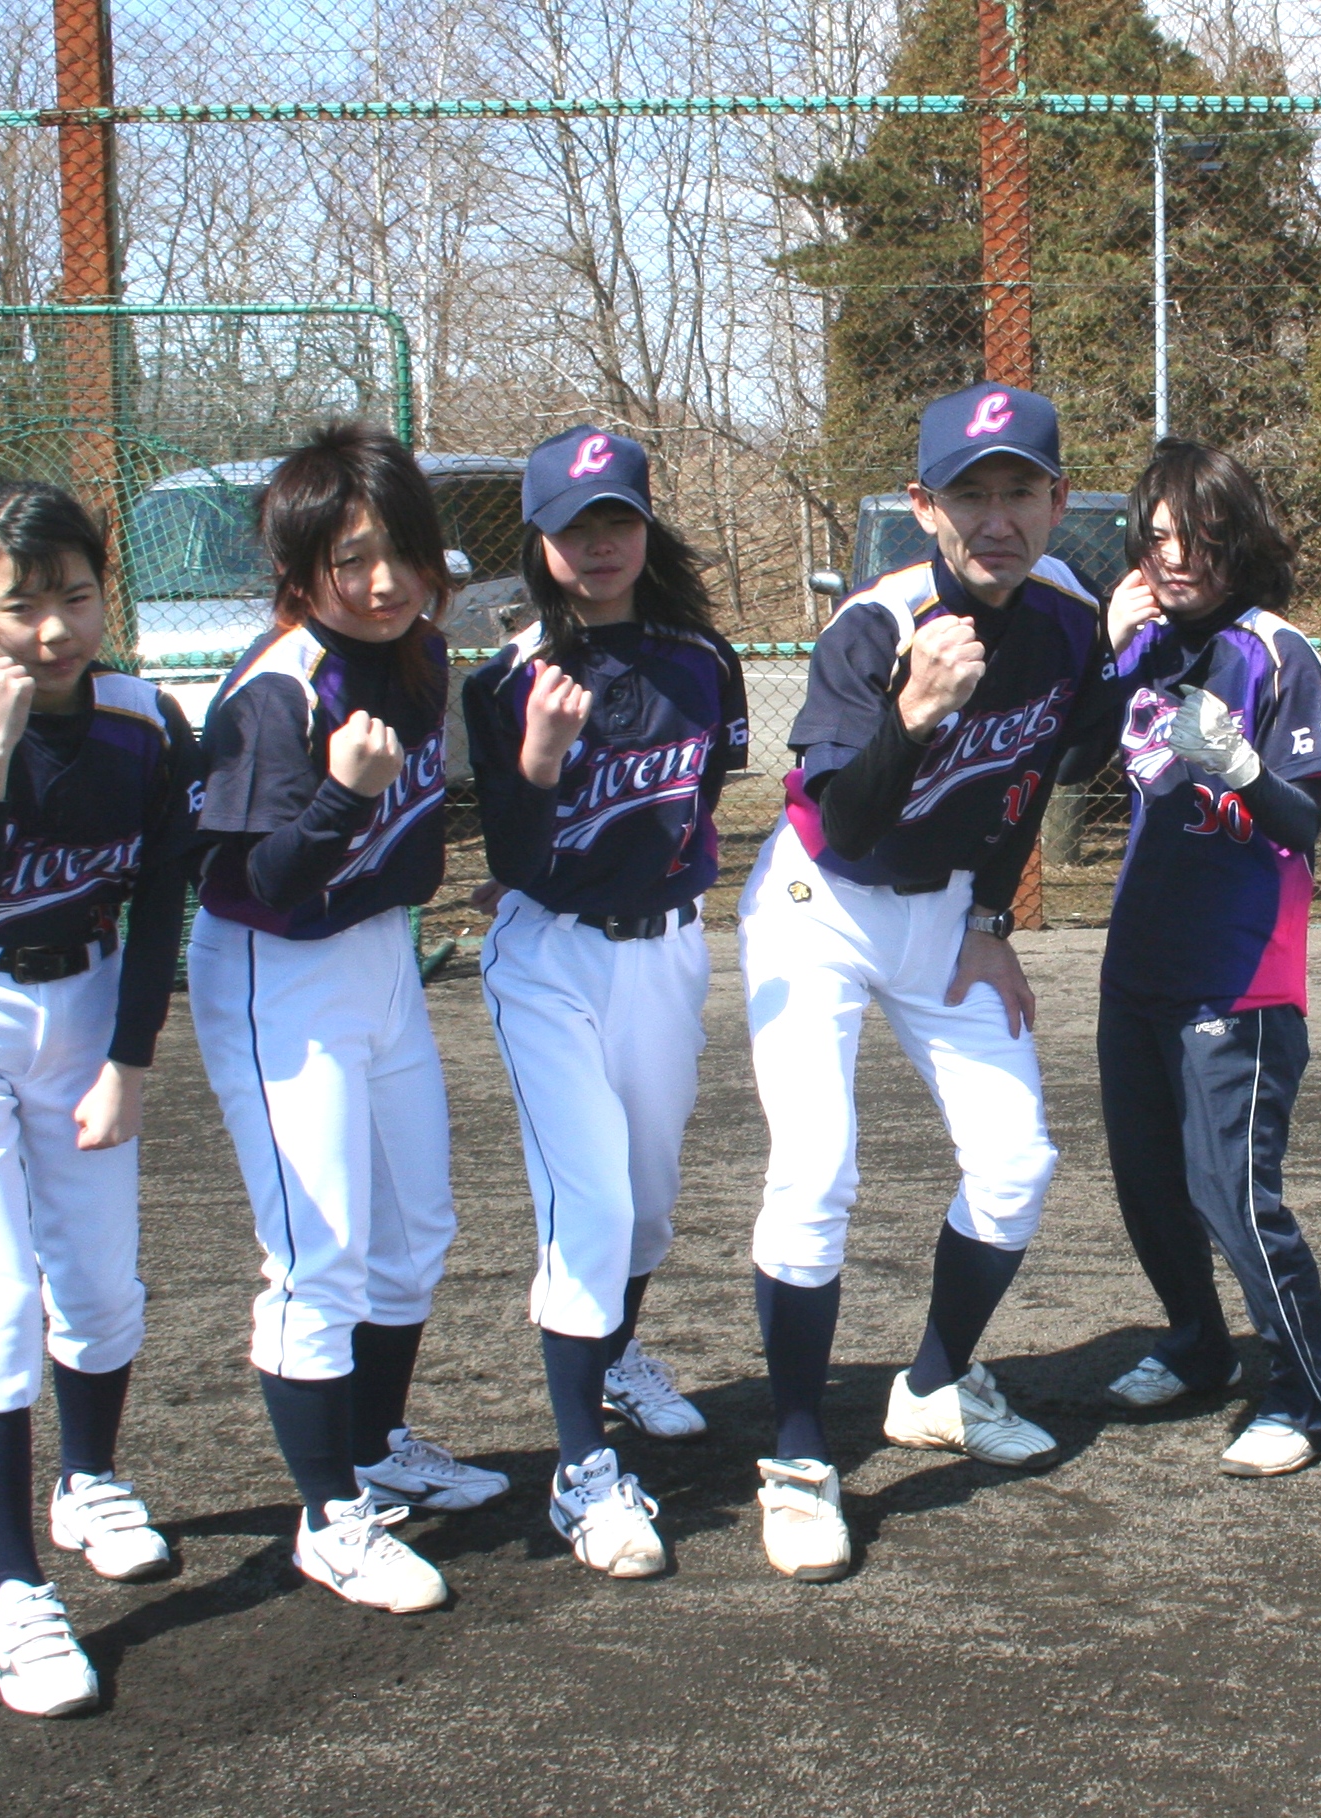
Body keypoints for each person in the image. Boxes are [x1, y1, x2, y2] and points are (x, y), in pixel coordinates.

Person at [736, 382, 1110, 1581]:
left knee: (1016, 1162)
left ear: (1057, 499)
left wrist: (993, 915)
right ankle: (797, 1462)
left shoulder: (1066, 614)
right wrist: (913, 708)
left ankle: (937, 1383)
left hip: (946, 910)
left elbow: (1050, 767)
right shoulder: (875, 624)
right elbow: (844, 823)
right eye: (968, 494)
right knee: (816, 1170)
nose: (994, 519)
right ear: (922, 506)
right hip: (820, 907)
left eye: (1018, 491)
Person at [0, 480, 200, 1716]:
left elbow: (163, 890)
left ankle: (91, 1480)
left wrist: (131, 1058)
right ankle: (14, 1599)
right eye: (23, 605)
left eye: (76, 595)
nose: (56, 628)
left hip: (85, 1007)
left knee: (104, 1284)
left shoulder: (141, 717)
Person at [188, 422, 507, 1617]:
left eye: (401, 553)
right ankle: (329, 1519)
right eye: (350, 558)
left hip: (381, 966)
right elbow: (255, 881)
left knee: (415, 1228)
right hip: (283, 975)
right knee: (313, 1257)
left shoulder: (418, 653)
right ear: (299, 568)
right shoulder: (277, 691)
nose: (381, 582)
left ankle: (374, 1448)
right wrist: (341, 797)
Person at [461, 427, 748, 1578]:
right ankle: (582, 1470)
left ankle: (616, 1354)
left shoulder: (699, 657)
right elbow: (515, 852)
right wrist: (536, 761)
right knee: (588, 1201)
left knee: (648, 1207)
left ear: (646, 526)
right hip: (553, 960)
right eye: (576, 526)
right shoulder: (507, 678)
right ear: (538, 542)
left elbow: (705, 796)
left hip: (665, 954)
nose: (601, 543)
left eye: (617, 518)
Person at [1090, 439, 1321, 1476]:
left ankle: (1313, 1394)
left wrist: (1241, 765)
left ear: (1235, 535)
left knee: (1233, 1192)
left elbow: (1302, 824)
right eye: (1155, 537)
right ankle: (1200, 1346)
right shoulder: (1144, 644)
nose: (1176, 556)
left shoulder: (1274, 652)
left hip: (1238, 971)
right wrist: (1104, 654)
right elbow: (1066, 759)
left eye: (1197, 533)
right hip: (1138, 960)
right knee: (1150, 1186)